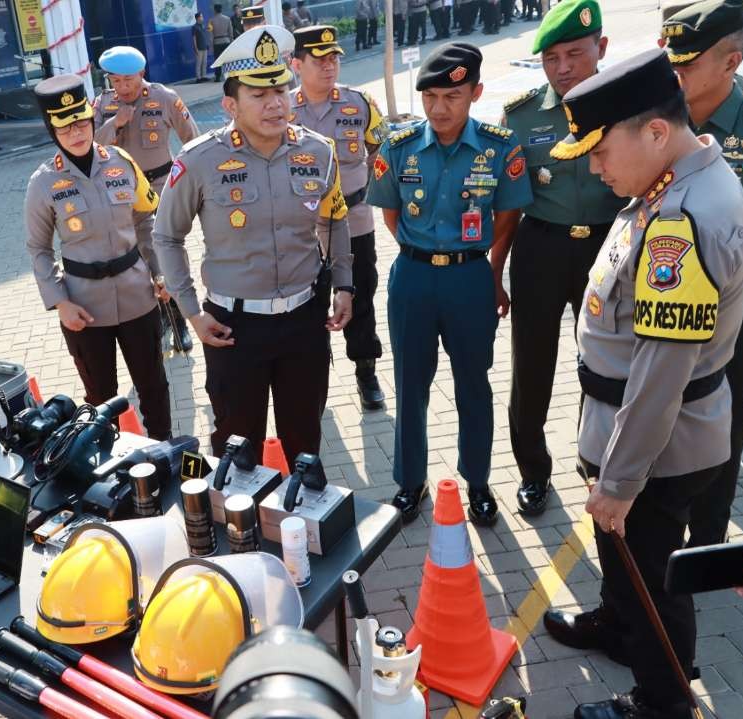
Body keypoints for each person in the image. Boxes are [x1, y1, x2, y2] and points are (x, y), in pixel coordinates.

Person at [539, 48, 743, 719]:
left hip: (655, 449)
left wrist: (619, 482)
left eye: (601, 152)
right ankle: (615, 621)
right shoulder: (675, 179)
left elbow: (661, 375)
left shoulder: (680, 221)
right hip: (637, 430)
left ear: (656, 131)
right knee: (627, 564)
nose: (595, 167)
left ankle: (661, 699)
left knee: (654, 580)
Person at [153, 25, 353, 464]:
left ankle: (301, 525)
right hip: (233, 330)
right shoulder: (200, 159)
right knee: (237, 449)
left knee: (305, 442)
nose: (276, 102)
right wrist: (191, 312)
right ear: (231, 105)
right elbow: (166, 235)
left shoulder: (318, 152)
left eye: (280, 88)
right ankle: (241, 531)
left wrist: (344, 285)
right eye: (259, 95)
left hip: (305, 321)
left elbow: (334, 217)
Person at [366, 43, 533, 526]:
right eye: (431, 96)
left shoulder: (500, 148)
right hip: (413, 278)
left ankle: (477, 482)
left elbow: (508, 215)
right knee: (410, 383)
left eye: (453, 96)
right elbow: (391, 216)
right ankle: (409, 482)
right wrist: (424, 252)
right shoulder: (397, 148)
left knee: (473, 385)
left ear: (475, 93)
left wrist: (489, 272)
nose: (440, 108)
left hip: (469, 279)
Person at [502, 0, 623, 516]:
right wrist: (493, 269)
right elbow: (508, 206)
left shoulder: (629, 108)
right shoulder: (522, 115)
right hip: (541, 247)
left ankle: (593, 455)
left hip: (609, 246)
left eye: (575, 53)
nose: (564, 67)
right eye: (552, 58)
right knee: (532, 365)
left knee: (603, 360)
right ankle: (532, 470)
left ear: (601, 48)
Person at [25, 75, 172, 440]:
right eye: (65, 127)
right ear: (52, 131)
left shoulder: (121, 162)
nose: (76, 133)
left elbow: (144, 219)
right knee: (100, 398)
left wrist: (160, 273)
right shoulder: (43, 183)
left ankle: (163, 452)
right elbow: (39, 249)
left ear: (91, 120)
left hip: (138, 294)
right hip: (85, 307)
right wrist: (60, 302)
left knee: (154, 386)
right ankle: (108, 468)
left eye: (81, 122)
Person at [662, 0, 743, 553]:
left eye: (687, 63)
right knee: (665, 407)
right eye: (670, 59)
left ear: (731, 61)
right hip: (666, 296)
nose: (674, 73)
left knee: (728, 409)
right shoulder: (658, 119)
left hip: (736, 304)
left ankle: (710, 534)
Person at [290, 25, 387, 410]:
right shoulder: (283, 110)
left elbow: (383, 149)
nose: (329, 66)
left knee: (360, 295)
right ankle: (311, 378)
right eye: (319, 60)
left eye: (334, 59)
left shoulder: (360, 103)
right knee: (307, 303)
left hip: (355, 219)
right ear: (297, 64)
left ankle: (366, 371)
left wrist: (369, 191)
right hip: (303, 228)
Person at [93, 46, 200, 355]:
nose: (123, 88)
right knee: (138, 255)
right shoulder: (103, 103)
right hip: (122, 190)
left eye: (129, 80)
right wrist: (116, 123)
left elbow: (193, 140)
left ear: (142, 74)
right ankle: (159, 318)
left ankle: (178, 318)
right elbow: (90, 144)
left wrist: (195, 184)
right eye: (116, 81)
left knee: (165, 251)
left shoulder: (165, 97)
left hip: (161, 186)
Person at [210, 4, 235, 82]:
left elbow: (210, 35)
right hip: (226, 41)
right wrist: (231, 42)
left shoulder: (211, 20)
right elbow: (231, 32)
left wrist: (211, 46)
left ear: (215, 10)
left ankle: (218, 77)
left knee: (217, 60)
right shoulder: (227, 19)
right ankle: (230, 76)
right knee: (227, 59)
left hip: (216, 42)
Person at [194, 12, 211, 83]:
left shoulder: (203, 26)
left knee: (204, 62)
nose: (202, 18)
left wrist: (207, 45)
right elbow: (194, 39)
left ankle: (203, 76)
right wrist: (195, 48)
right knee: (199, 63)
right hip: (199, 48)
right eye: (201, 16)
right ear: (198, 18)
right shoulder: (195, 27)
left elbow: (205, 36)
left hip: (204, 47)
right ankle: (198, 77)